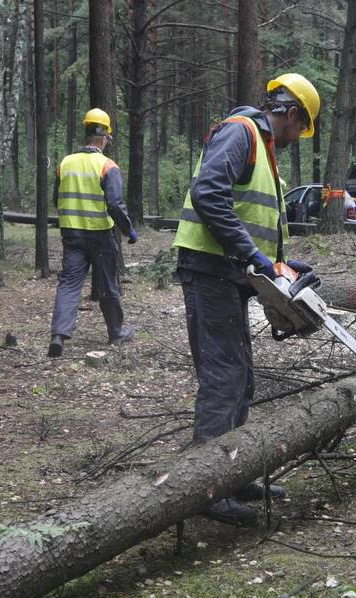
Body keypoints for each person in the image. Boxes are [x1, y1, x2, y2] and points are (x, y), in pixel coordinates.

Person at [172, 73, 320, 526]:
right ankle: (207, 488)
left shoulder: (262, 148)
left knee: (242, 378)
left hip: (229, 271)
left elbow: (251, 217)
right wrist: (254, 256)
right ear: (291, 114)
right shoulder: (241, 132)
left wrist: (283, 264)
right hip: (210, 269)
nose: (297, 138)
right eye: (301, 128)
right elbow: (208, 195)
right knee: (224, 378)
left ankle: (231, 472)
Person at [47, 109, 138, 358]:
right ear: (104, 138)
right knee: (108, 283)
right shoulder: (107, 166)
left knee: (69, 284)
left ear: (87, 134)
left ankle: (59, 335)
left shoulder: (65, 163)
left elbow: (57, 198)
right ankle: (116, 332)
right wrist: (129, 230)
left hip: (72, 234)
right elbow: (115, 204)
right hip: (100, 234)